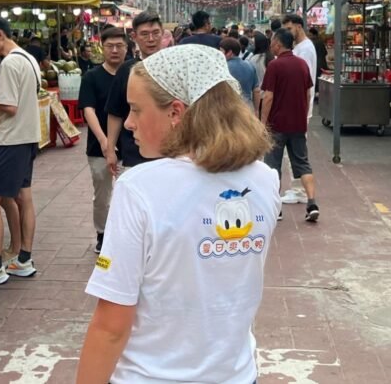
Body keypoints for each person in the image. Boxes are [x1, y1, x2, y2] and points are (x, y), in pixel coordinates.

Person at [77, 45, 279, 384]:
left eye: (136, 110)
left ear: (176, 112)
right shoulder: (264, 180)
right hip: (236, 374)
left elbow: (111, 324)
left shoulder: (140, 188)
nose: (128, 123)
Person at [0, 16, 43, 284]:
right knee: (23, 197)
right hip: (29, 137)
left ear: (0, 34)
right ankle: (23, 259)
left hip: (11, 139)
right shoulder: (29, 59)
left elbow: (8, 105)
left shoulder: (9, 63)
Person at [261, 29, 320, 222]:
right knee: (302, 163)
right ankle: (312, 203)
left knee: (272, 167)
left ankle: (275, 209)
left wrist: (263, 123)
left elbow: (268, 97)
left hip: (276, 125)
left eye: (272, 43)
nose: (270, 46)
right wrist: (302, 115)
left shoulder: (274, 66)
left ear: (278, 44)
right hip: (297, 124)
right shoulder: (302, 65)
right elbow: (308, 94)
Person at [79, 27, 128, 253]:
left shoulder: (134, 73)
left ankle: (127, 234)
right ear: (103, 47)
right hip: (99, 147)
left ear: (127, 47)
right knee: (103, 194)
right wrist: (104, 140)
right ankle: (102, 233)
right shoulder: (92, 76)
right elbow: (88, 110)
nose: (115, 50)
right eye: (110, 46)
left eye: (120, 46)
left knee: (129, 193)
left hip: (130, 146)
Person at [104, 12, 165, 178]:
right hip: (134, 152)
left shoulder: (172, 67)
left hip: (170, 153)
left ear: (163, 33)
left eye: (155, 33)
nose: (151, 39)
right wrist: (110, 150)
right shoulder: (126, 70)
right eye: (144, 34)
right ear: (134, 37)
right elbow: (115, 112)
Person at [220, 37, 260, 109]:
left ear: (229, 52)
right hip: (248, 107)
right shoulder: (250, 65)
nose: (219, 54)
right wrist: (256, 110)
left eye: (221, 51)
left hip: (229, 108)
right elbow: (256, 90)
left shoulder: (223, 67)